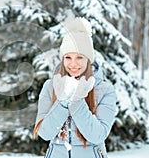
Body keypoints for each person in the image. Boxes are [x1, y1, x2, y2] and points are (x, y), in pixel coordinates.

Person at [33, 17, 116, 158]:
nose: (73, 64)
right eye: (68, 57)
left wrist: (77, 101)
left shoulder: (104, 90)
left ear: (89, 59)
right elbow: (45, 133)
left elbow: (98, 135)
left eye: (79, 57)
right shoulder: (50, 87)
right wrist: (63, 102)